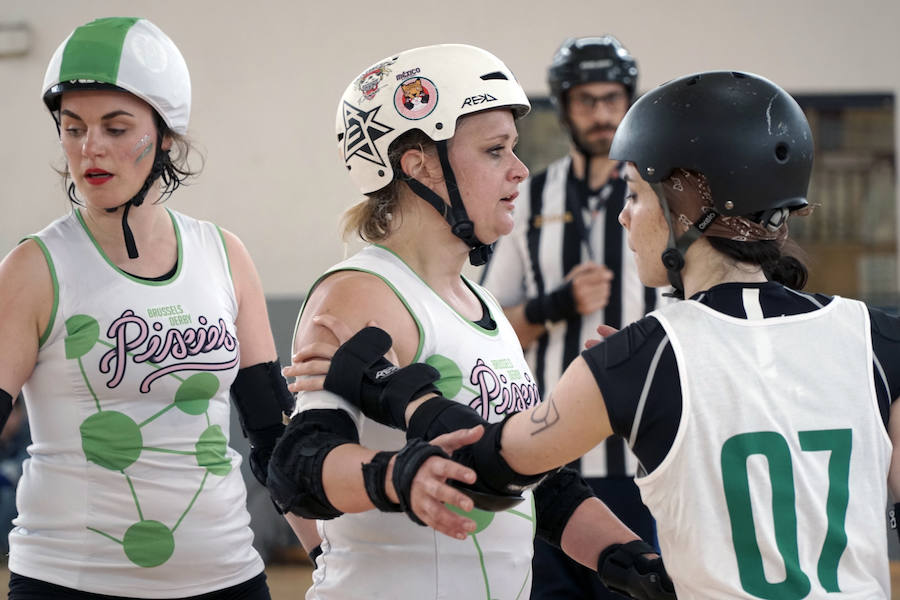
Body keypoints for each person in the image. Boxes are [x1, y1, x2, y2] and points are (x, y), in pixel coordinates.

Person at [313, 70, 900, 598]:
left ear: (686, 207)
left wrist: (396, 391)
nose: (622, 215)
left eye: (636, 195)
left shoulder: (636, 359)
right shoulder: (877, 338)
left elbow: (491, 470)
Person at [270, 44, 674, 600]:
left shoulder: (480, 307)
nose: (520, 170)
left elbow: (540, 484)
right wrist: (397, 476)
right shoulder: (363, 294)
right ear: (418, 166)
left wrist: (632, 561)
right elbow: (296, 467)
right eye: (494, 151)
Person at [0, 17, 294, 599]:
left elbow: (271, 439)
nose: (91, 148)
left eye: (115, 126)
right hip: (70, 582)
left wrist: (328, 559)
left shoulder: (224, 256)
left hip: (229, 577)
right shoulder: (34, 268)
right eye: (73, 127)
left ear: (164, 135)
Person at [479, 35, 658, 599]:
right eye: (586, 100)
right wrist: (553, 305)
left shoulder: (660, 192)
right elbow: (487, 321)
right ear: (563, 106)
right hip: (548, 450)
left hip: (640, 454)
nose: (602, 113)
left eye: (612, 98)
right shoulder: (527, 195)